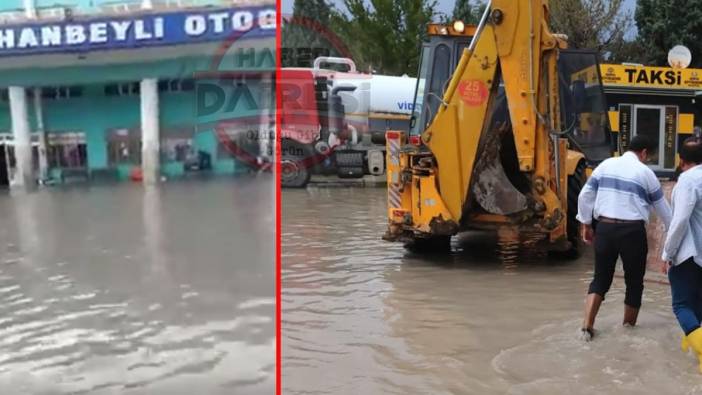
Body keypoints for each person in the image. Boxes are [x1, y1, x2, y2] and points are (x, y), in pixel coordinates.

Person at [576, 135, 672, 341]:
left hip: (605, 228)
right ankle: (627, 331)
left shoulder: (605, 165)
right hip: (632, 232)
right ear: (644, 152)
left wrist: (586, 224)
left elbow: (584, 196)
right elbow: (665, 212)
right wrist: (673, 243)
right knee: (634, 282)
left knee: (600, 278)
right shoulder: (645, 173)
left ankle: (586, 326)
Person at [662, 137, 702, 372]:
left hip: (690, 254)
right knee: (698, 307)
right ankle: (692, 357)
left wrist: (668, 253)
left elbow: (679, 221)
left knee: (681, 306)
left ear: (681, 159)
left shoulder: (688, 180)